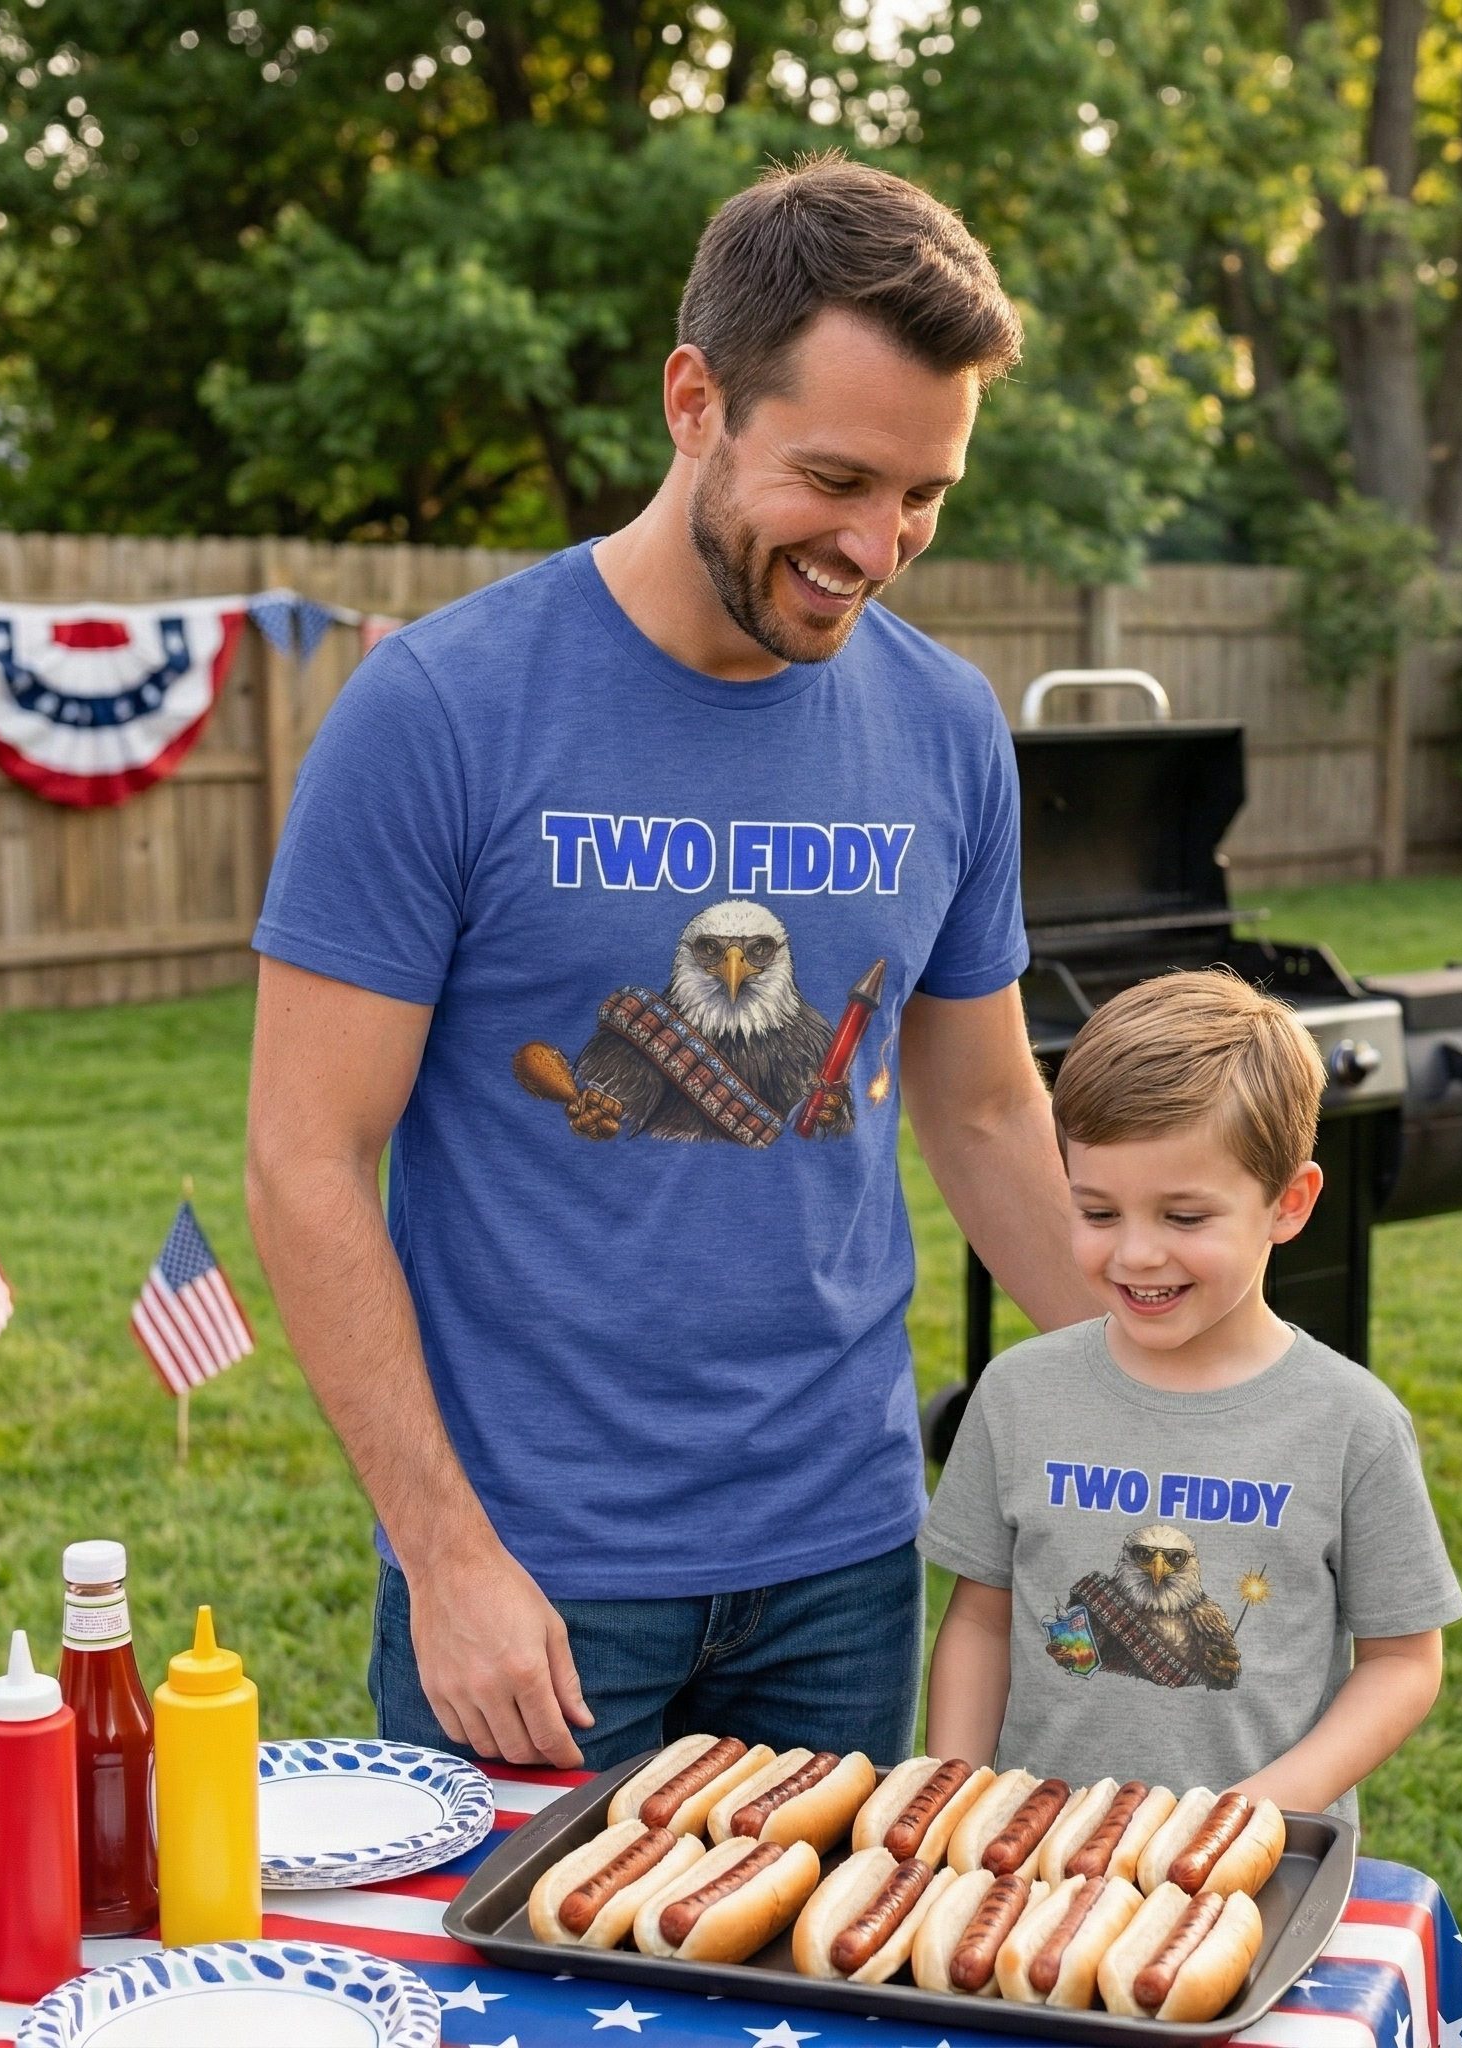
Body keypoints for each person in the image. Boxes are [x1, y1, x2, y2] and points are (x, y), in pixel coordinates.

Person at [244, 155, 1094, 1774]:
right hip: (536, 1576)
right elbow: (305, 1154)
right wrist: (445, 1552)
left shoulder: (942, 725)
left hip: (844, 1554)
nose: (876, 542)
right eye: (836, 477)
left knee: (823, 2019)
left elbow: (983, 1115)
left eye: (923, 494)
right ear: (691, 399)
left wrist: (1158, 1426)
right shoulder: (440, 710)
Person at [920, 970, 1462, 1825]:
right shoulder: (1018, 1394)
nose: (1136, 1254)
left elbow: (1403, 1662)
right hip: (1033, 1863)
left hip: (1253, 1868)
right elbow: (981, 1622)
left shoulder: (1352, 1424)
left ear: (1289, 1203)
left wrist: (1255, 1811)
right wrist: (951, 1797)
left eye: (1183, 1218)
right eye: (1098, 1212)